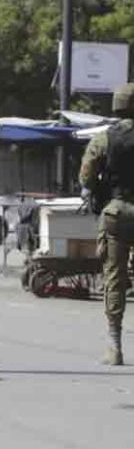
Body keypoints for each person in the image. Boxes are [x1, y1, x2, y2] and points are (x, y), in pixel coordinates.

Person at [79, 82, 134, 365]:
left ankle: (114, 347)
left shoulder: (103, 139)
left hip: (116, 213)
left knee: (115, 277)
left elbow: (86, 177)